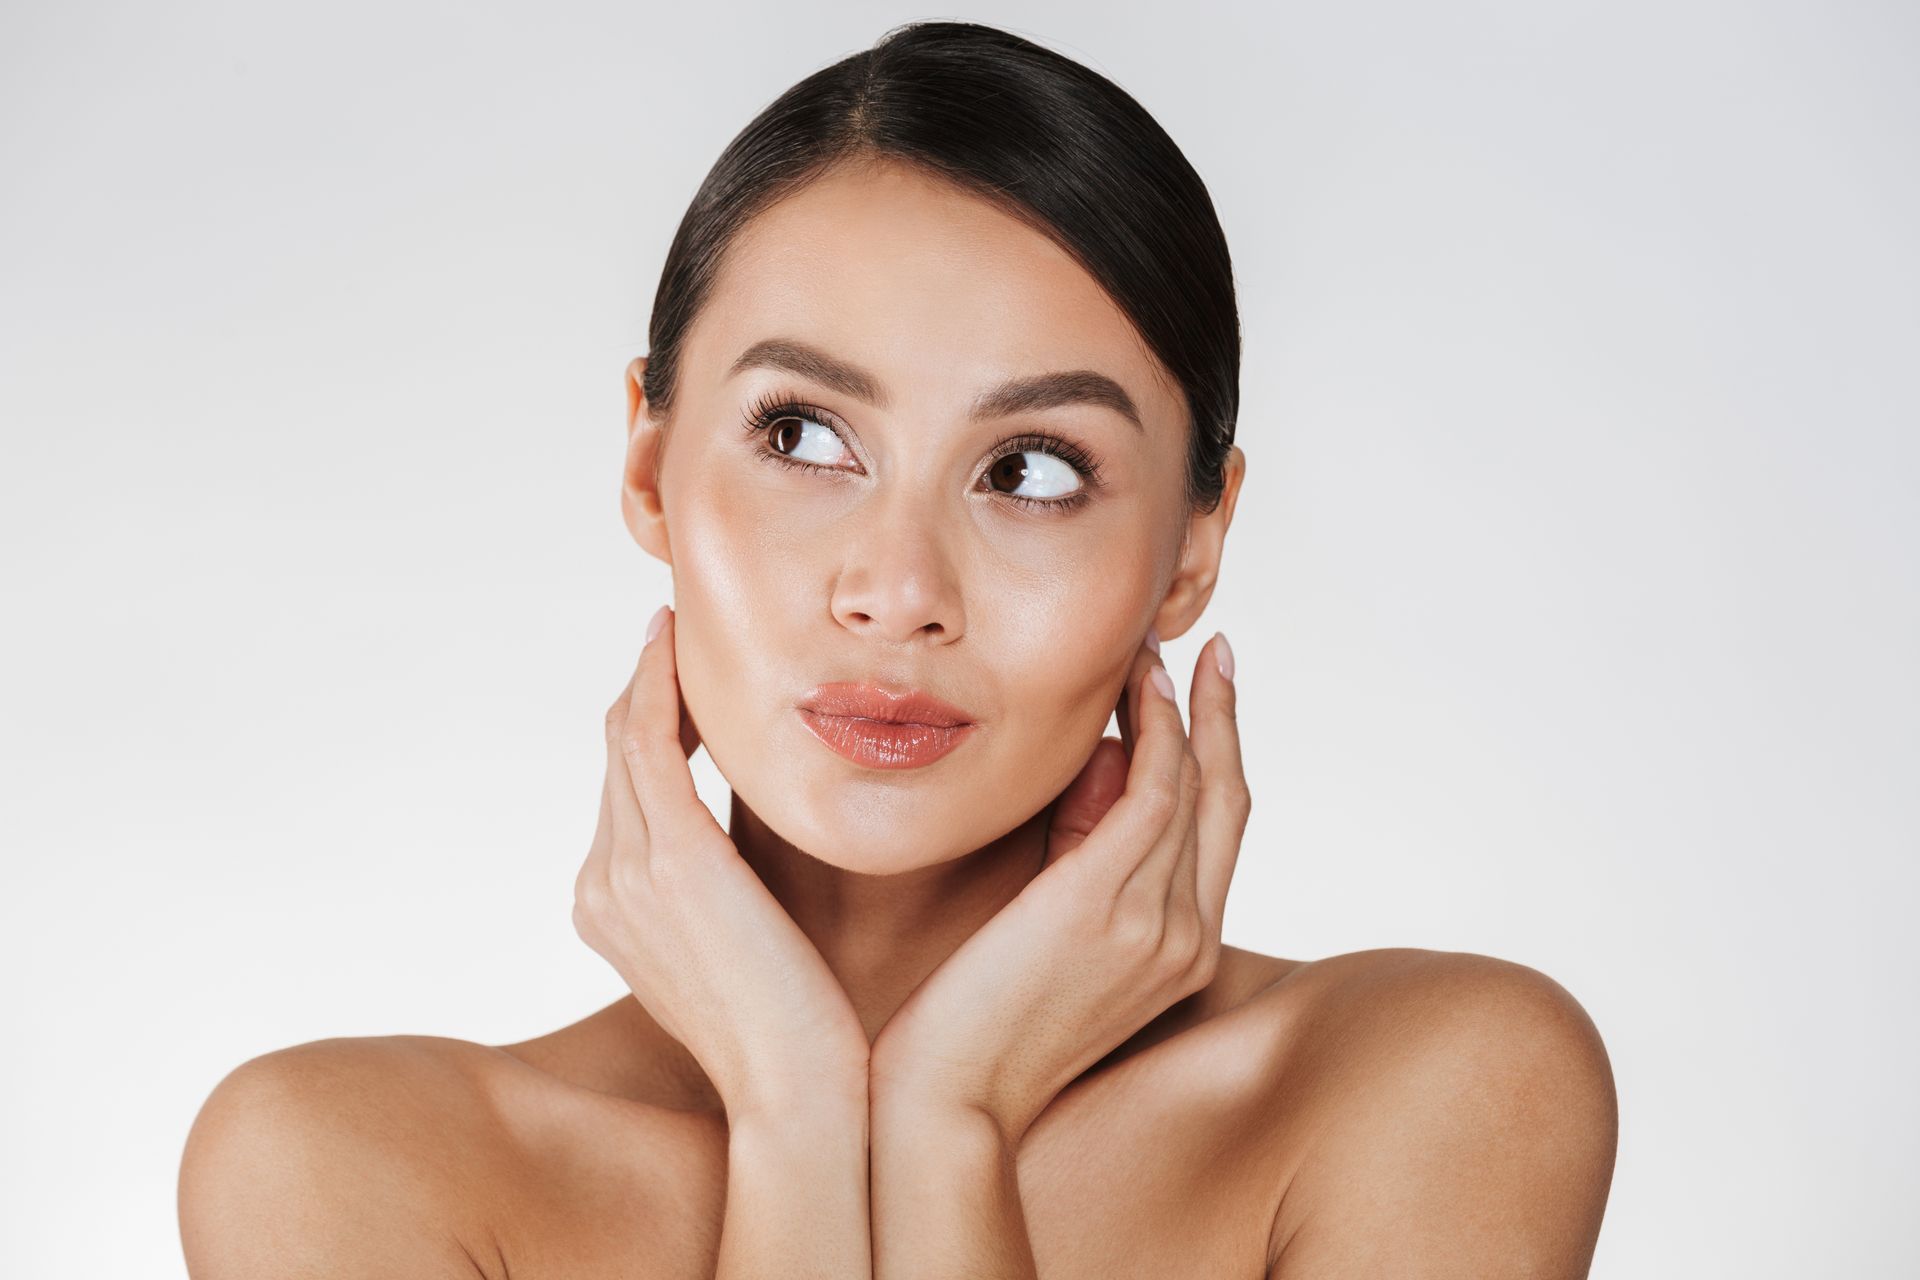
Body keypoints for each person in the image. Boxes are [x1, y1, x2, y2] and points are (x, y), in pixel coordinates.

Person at [178, 19, 1617, 1278]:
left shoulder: (1432, 1091)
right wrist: (803, 1113)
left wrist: (945, 1120)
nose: (897, 589)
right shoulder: (343, 1174)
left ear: (1194, 544)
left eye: (1034, 470)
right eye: (803, 436)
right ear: (648, 463)